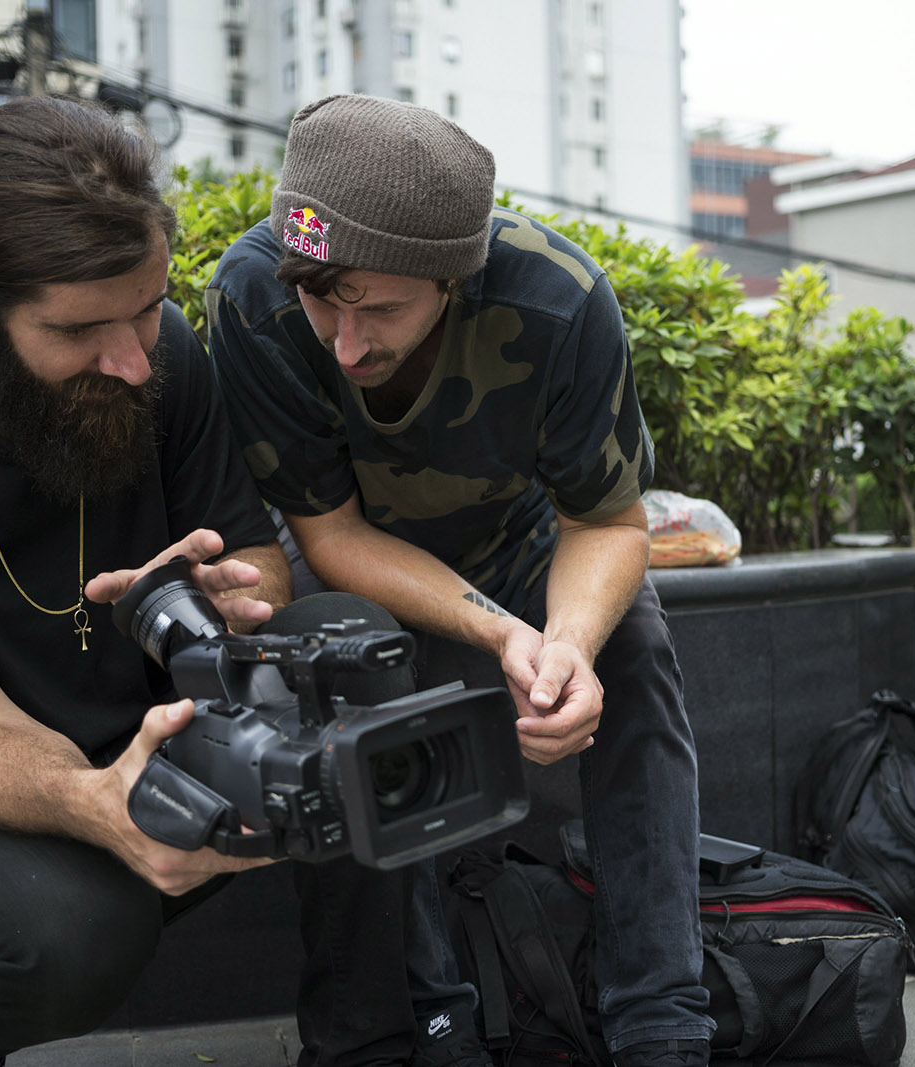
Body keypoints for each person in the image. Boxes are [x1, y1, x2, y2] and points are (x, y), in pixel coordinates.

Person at [0, 96, 419, 1067]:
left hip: (165, 723)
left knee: (351, 647)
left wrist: (235, 602)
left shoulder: (160, 361)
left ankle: (373, 1040)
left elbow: (259, 560)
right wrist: (103, 801)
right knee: (72, 928)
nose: (131, 358)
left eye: (148, 309)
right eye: (80, 330)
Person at [207, 94, 716, 1067]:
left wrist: (561, 641)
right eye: (323, 301)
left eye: (382, 308)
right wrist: (494, 634)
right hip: (352, 565)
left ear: (456, 277)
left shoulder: (559, 300)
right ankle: (399, 1029)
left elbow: (606, 522)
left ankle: (662, 1020)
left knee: (634, 650)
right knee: (337, 664)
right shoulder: (251, 297)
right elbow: (330, 530)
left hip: (516, 545)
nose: (344, 346)